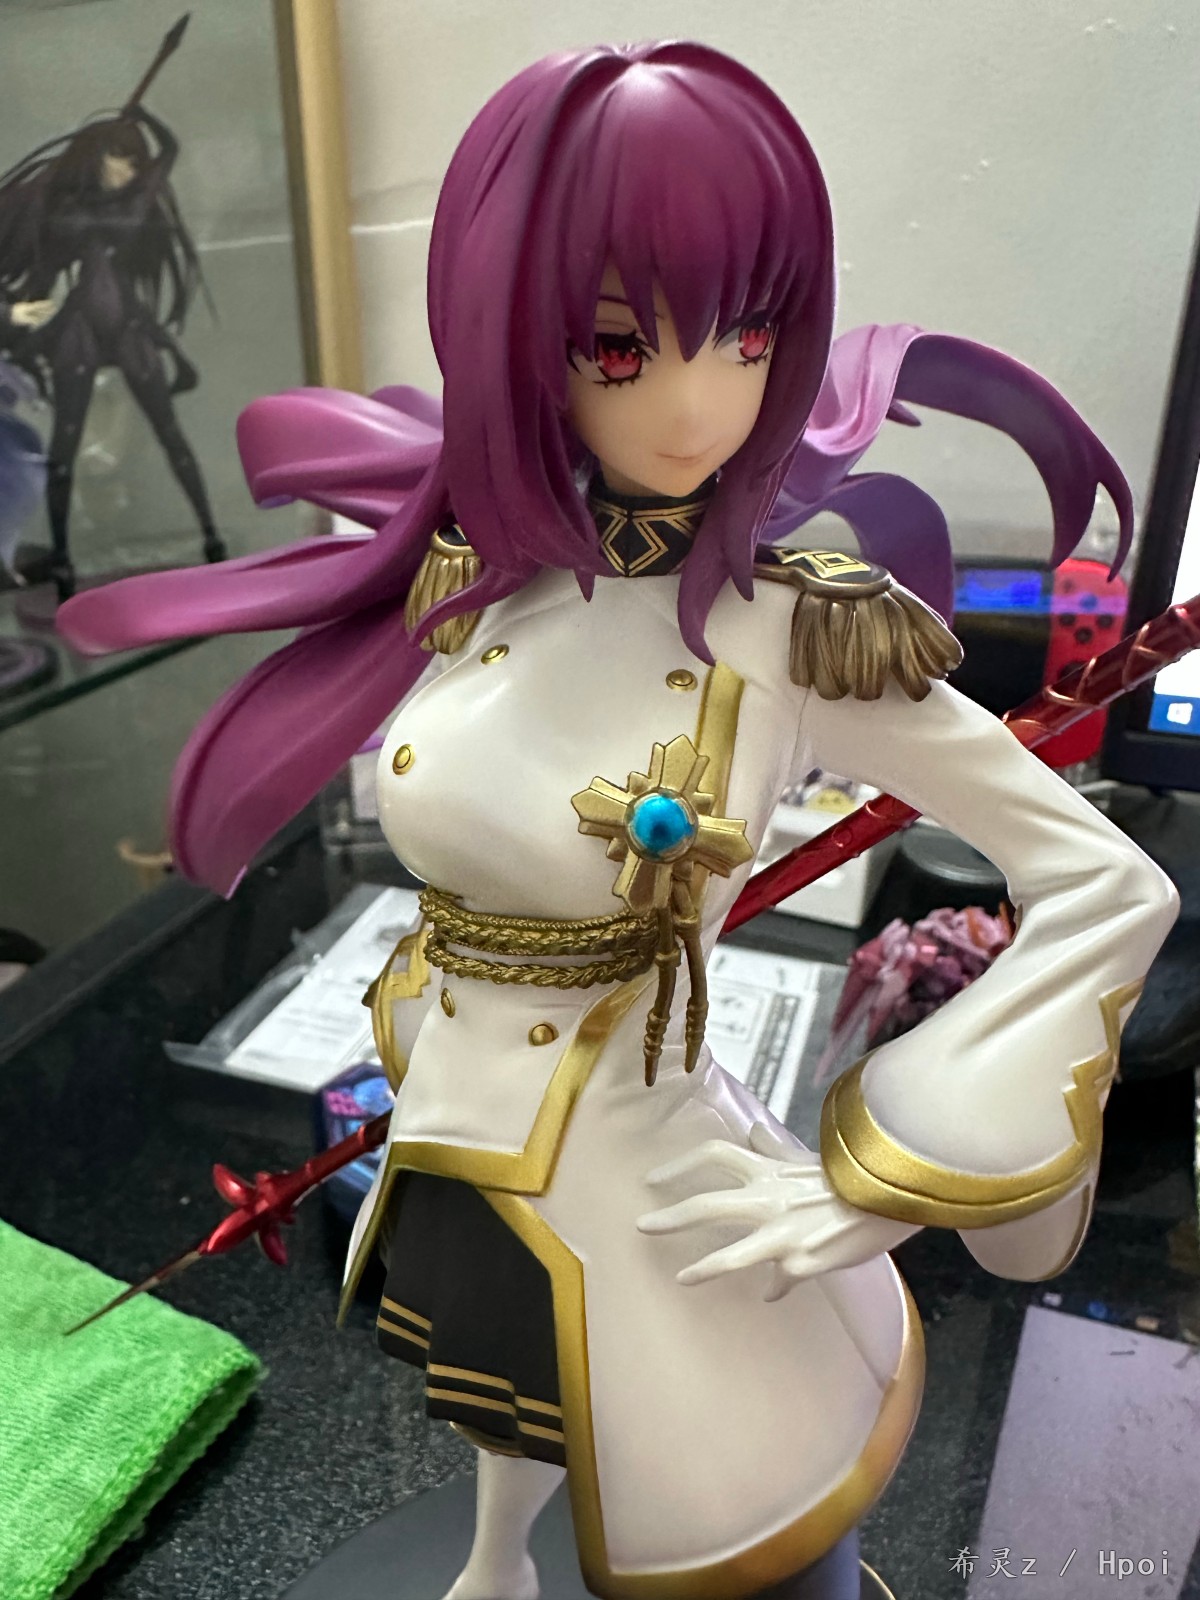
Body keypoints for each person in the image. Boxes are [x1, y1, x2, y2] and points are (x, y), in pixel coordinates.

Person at [59, 43, 1177, 1600]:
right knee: (512, 1385)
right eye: (619, 344)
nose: (699, 401)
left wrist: (873, 1178)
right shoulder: (484, 578)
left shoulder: (794, 631)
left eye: (748, 334)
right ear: (519, 339)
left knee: (747, 1511)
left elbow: (1112, 885)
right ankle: (496, 1565)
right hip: (462, 1127)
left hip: (666, 1191)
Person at [0, 103, 223, 596]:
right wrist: (15, 313)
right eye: (119, 159)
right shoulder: (62, 207)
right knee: (66, 446)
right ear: (97, 158)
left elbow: (169, 151)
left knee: (169, 430)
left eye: (133, 162)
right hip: (78, 330)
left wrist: (143, 114)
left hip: (127, 328)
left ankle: (212, 538)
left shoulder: (133, 201)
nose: (128, 171)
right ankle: (62, 558)